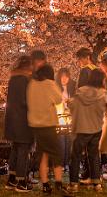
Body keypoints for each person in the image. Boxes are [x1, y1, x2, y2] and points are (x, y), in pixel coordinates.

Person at [27, 64, 71, 195]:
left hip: (35, 125)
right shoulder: (50, 84)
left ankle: (45, 185)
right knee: (57, 153)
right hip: (48, 123)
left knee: (43, 154)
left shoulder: (31, 84)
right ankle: (58, 183)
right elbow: (58, 99)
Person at [68, 68, 107, 193]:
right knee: (94, 156)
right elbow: (105, 109)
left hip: (81, 129)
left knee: (75, 157)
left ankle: (73, 184)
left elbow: (72, 107)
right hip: (96, 129)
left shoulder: (80, 92)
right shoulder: (103, 94)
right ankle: (97, 183)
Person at [5, 55, 34, 192]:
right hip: (23, 119)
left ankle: (11, 179)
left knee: (15, 149)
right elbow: (26, 101)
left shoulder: (13, 79)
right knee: (23, 150)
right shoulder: (25, 80)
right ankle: (22, 182)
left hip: (12, 119)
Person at [56, 68, 77, 171]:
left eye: (66, 76)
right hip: (59, 119)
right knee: (61, 141)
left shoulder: (72, 88)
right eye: (62, 76)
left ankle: (67, 163)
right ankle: (61, 163)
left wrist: (70, 102)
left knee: (69, 141)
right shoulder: (56, 88)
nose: (64, 79)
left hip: (70, 118)